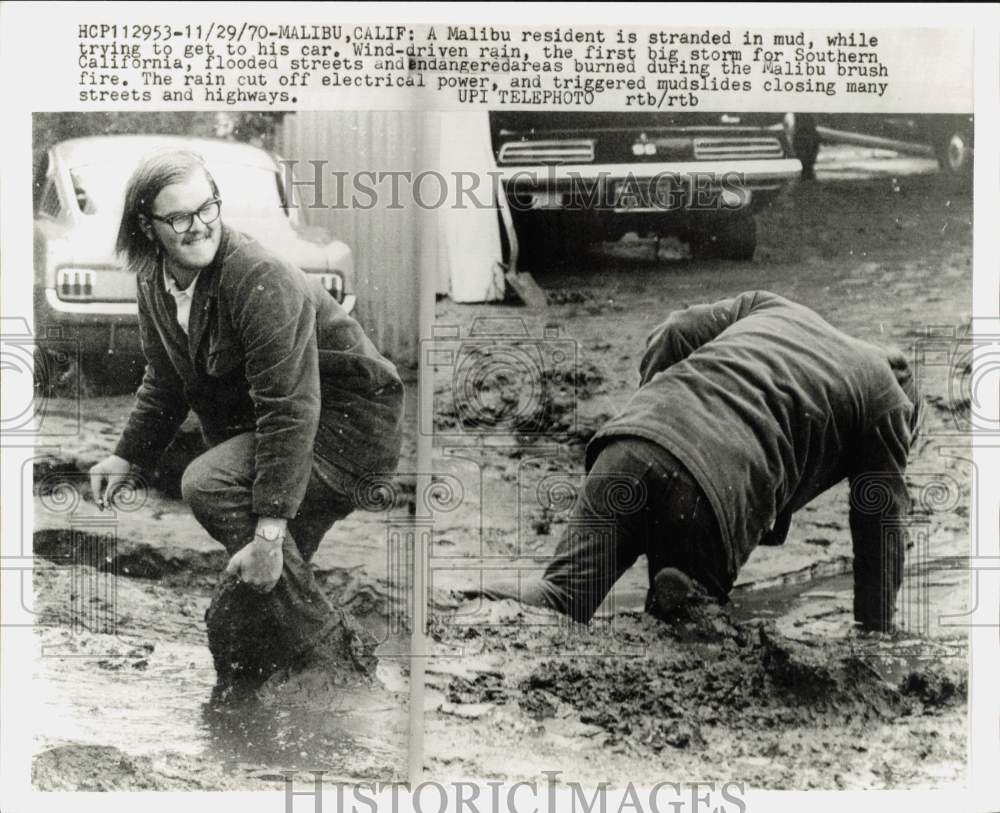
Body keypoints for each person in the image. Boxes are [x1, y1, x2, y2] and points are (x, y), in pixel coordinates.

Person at [89, 150, 405, 690]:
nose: (200, 227)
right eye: (179, 218)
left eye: (207, 207)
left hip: (346, 432)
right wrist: (128, 455)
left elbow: (290, 408)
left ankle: (340, 674)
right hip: (285, 435)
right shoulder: (153, 282)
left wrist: (268, 532)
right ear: (148, 226)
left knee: (208, 483)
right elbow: (165, 380)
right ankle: (273, 705)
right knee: (235, 618)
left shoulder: (259, 276)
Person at [472, 291, 921, 632]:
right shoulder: (888, 398)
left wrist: (651, 413)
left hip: (630, 442)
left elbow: (675, 329)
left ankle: (455, 598)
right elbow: (881, 531)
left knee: (560, 596)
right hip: (710, 488)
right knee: (689, 637)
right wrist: (876, 637)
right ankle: (681, 607)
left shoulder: (775, 307)